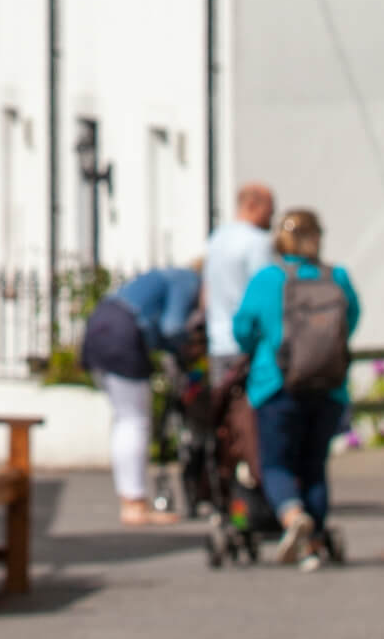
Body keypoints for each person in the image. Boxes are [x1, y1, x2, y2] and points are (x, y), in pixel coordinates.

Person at [233, 208, 360, 570]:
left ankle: (292, 517)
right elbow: (350, 322)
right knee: (314, 465)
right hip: (329, 387)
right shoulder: (338, 278)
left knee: (276, 462)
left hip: (276, 384)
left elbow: (243, 329)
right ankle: (313, 542)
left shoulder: (267, 279)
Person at [81, 262, 205, 526]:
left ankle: (131, 500)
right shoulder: (187, 279)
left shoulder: (163, 275)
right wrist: (183, 349)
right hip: (123, 333)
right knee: (134, 421)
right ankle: (134, 504)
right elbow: (173, 326)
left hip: (99, 325)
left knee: (124, 418)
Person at [201, 182, 278, 386]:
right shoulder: (257, 241)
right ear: (253, 205)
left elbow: (205, 294)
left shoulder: (216, 239)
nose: (272, 218)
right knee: (250, 415)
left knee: (225, 414)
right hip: (247, 345)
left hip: (217, 343)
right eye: (269, 211)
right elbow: (266, 295)